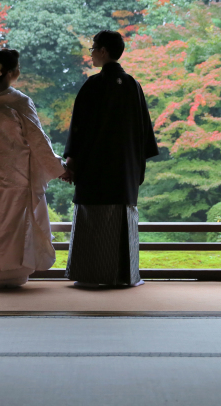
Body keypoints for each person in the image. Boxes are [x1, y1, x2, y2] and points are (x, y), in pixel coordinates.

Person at [0, 48, 70, 287]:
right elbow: (38, 140)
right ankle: (14, 272)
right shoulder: (20, 102)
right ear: (12, 72)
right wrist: (59, 167)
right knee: (15, 223)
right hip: (16, 174)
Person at [64, 30, 159, 288]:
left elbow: (78, 130)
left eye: (93, 47)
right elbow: (144, 135)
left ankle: (90, 275)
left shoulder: (93, 86)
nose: (91, 52)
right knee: (121, 221)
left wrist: (71, 163)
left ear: (104, 51)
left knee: (93, 220)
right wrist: (135, 166)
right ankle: (123, 276)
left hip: (95, 171)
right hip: (124, 171)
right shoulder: (132, 86)